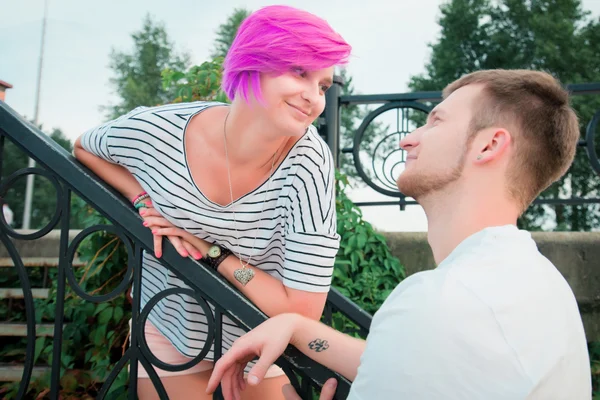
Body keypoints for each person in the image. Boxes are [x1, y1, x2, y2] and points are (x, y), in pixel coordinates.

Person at [206, 69, 592, 400]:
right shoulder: (539, 284)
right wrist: (297, 327)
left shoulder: (443, 300)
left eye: (437, 121)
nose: (408, 139)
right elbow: (407, 358)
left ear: (489, 145)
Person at [73, 5, 351, 399]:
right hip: (169, 324)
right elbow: (85, 147)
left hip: (256, 337)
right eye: (300, 72)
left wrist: (212, 252)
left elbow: (303, 313)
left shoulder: (309, 161)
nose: (313, 97)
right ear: (253, 62)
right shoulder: (160, 131)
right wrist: (143, 200)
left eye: (323, 86)